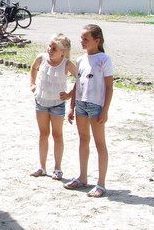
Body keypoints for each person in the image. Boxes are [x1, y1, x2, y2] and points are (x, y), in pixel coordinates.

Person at [65, 24, 113, 198]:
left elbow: (109, 87)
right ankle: (82, 177)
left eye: (86, 39)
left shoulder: (104, 59)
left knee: (100, 143)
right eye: (81, 38)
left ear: (97, 40)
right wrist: (72, 106)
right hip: (81, 104)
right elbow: (77, 84)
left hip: (96, 105)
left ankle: (101, 183)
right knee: (83, 139)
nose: (82, 42)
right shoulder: (80, 60)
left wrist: (105, 110)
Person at [28, 33, 77, 179]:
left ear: (63, 51)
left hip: (57, 104)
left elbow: (80, 79)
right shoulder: (41, 58)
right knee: (43, 133)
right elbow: (33, 68)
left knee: (57, 135)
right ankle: (41, 166)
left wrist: (69, 94)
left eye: (54, 48)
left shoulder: (66, 64)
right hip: (41, 101)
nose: (50, 49)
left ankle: (57, 168)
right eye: (49, 46)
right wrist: (32, 84)